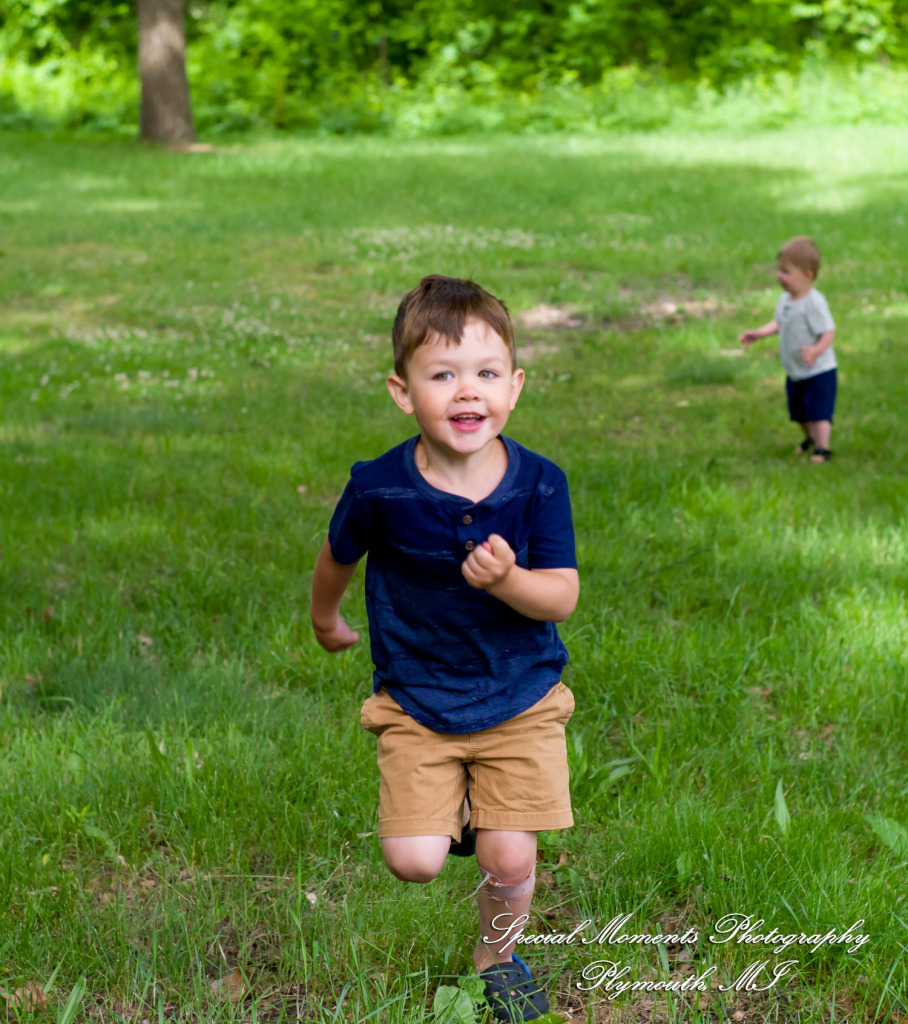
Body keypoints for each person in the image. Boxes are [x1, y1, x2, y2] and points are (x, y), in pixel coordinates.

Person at [310, 275, 579, 1022]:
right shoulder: (379, 489)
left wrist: (509, 581)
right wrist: (324, 619)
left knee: (510, 856)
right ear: (403, 392)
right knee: (415, 860)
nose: (468, 392)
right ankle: (454, 812)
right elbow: (336, 556)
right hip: (418, 698)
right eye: (443, 375)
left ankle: (497, 957)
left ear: (515, 386)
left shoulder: (539, 487)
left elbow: (560, 595)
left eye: (487, 374)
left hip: (519, 696)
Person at [739, 236, 838, 462]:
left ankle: (823, 448)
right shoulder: (785, 299)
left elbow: (828, 332)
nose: (779, 276)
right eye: (779, 270)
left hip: (819, 370)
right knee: (799, 412)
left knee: (818, 411)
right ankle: (810, 439)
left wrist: (816, 351)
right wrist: (759, 333)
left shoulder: (814, 302)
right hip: (795, 369)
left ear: (808, 275)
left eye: (786, 271)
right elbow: (779, 323)